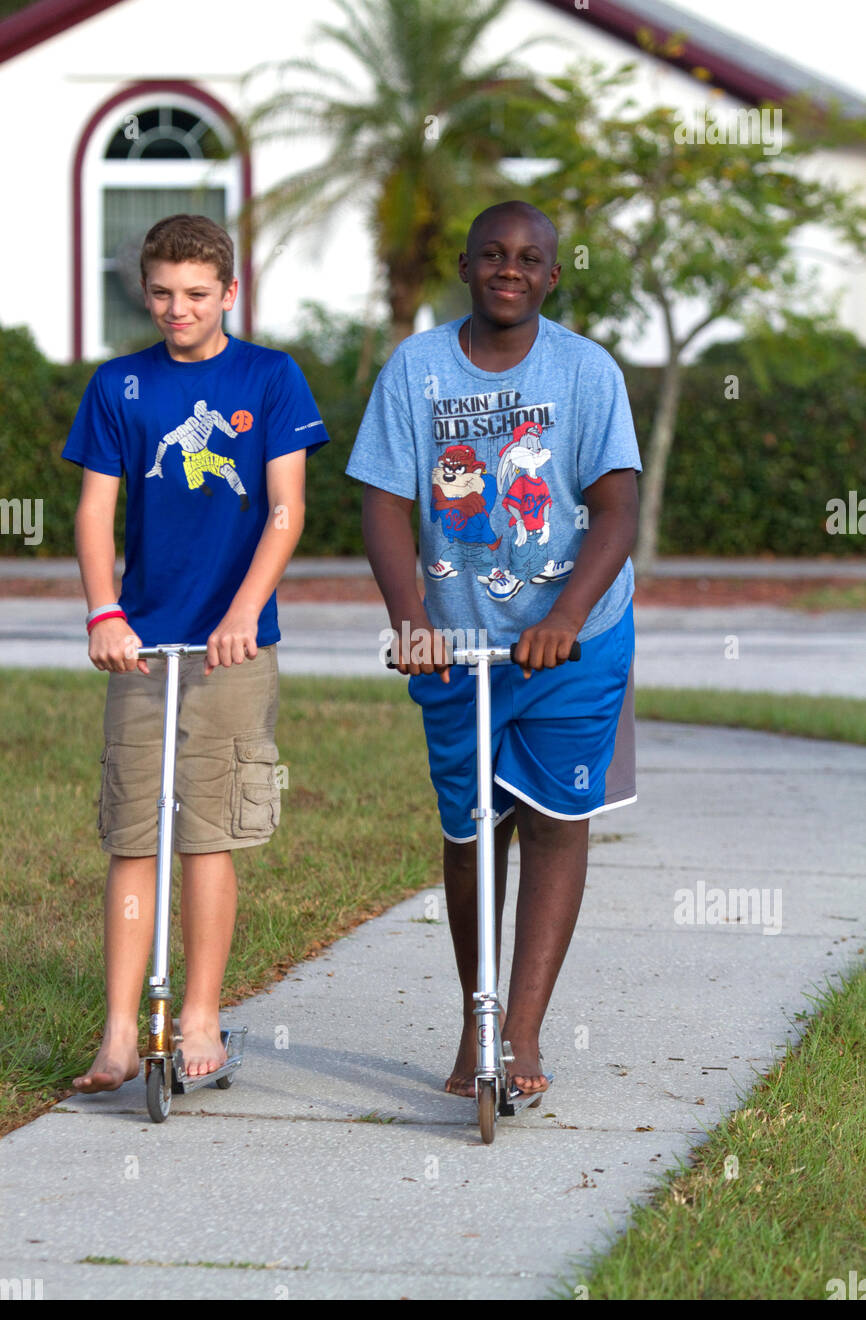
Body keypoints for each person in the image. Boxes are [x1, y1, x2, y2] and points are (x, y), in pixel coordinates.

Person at [346, 200, 641, 1098]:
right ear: (467, 267)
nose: (509, 269)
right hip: (458, 645)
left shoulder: (587, 371)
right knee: (472, 831)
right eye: (492, 255)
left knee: (554, 821)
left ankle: (520, 1036)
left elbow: (618, 507)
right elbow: (384, 502)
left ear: (554, 275)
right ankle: (478, 1018)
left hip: (575, 642)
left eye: (529, 258)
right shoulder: (417, 369)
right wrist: (410, 618)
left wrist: (567, 614)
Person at [64, 213, 328, 1092]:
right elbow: (97, 511)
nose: (179, 310)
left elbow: (286, 510)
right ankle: (118, 1032)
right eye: (164, 294)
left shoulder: (270, 377)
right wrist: (106, 610)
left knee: (205, 835)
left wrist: (245, 610)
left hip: (231, 648)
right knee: (133, 836)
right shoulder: (120, 386)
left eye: (197, 296)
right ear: (147, 292)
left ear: (228, 294)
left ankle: (203, 1015)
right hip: (143, 644)